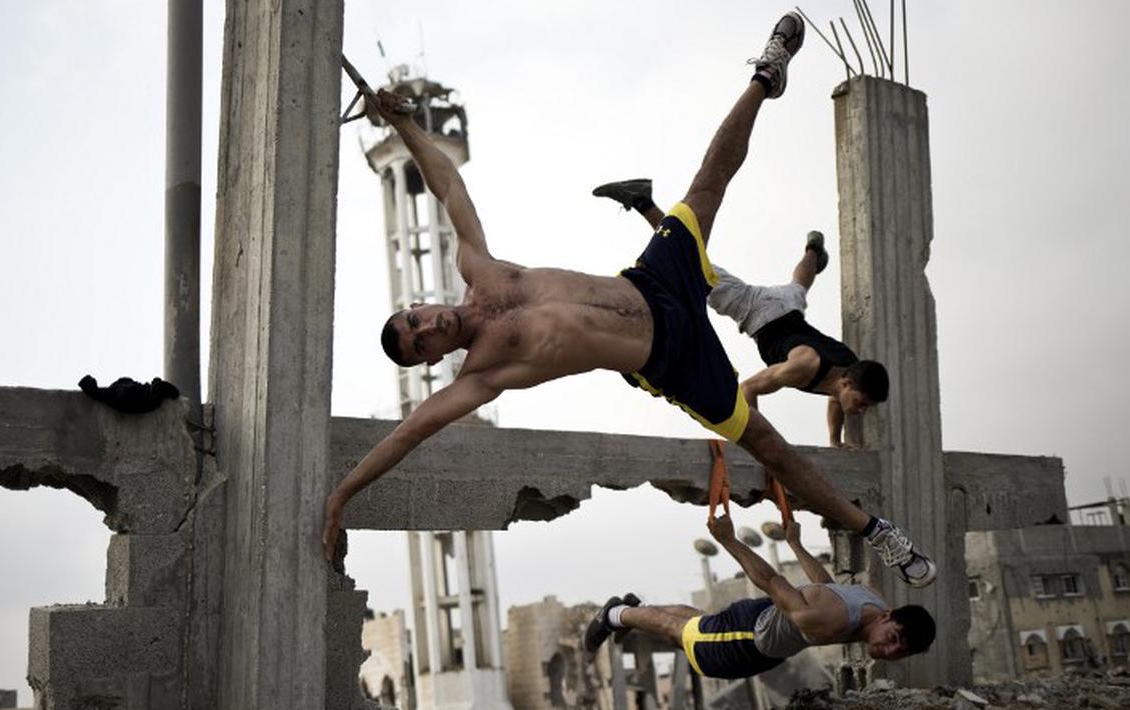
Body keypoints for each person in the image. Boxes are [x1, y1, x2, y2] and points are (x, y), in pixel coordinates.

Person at [323, 12, 935, 588]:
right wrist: (342, 496)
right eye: (419, 339)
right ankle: (879, 534)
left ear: (420, 304)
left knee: (706, 183)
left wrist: (401, 124)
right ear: (430, 355)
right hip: (670, 359)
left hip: (654, 282)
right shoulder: (481, 376)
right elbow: (406, 436)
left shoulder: (479, 268)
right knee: (770, 446)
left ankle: (766, 74)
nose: (426, 324)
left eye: (415, 317)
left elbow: (447, 184)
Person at [592, 179, 889, 448]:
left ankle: (813, 251)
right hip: (759, 311)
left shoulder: (849, 369)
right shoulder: (804, 366)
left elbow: (836, 397)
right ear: (847, 383)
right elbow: (748, 389)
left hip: (788, 307)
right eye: (861, 403)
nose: (860, 411)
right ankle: (643, 200)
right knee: (690, 262)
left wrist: (834, 440)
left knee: (798, 287)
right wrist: (759, 444)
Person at [583, 517, 936, 679]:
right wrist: (728, 540)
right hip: (748, 640)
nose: (889, 651)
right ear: (888, 618)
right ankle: (616, 614)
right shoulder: (832, 619)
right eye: (892, 640)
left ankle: (636, 609)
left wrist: (796, 544)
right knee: (681, 631)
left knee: (694, 624)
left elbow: (825, 585)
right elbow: (770, 580)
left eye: (899, 651)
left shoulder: (869, 598)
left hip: (764, 626)